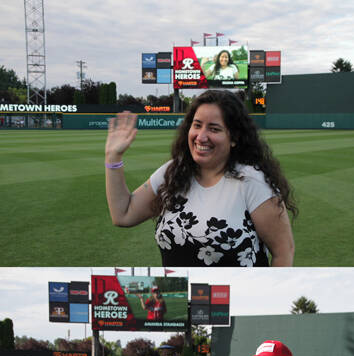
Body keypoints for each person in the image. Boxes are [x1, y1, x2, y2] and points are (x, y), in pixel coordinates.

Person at [104, 90, 296, 266]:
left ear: (234, 137)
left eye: (214, 129)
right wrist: (113, 157)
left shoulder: (252, 182)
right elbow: (124, 214)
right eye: (197, 125)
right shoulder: (172, 172)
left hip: (237, 300)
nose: (201, 137)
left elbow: (284, 252)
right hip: (181, 298)